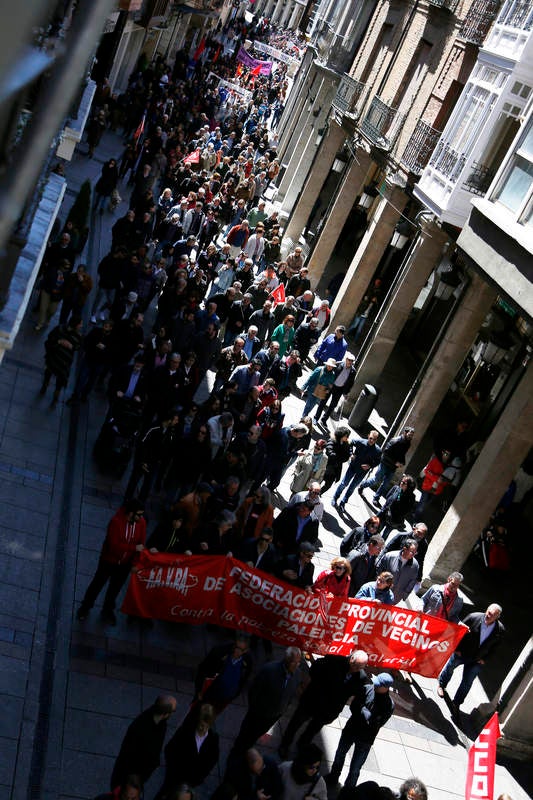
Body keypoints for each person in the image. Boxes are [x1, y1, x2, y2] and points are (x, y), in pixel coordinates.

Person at [278, 650, 369, 759]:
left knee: (312, 730)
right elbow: (314, 670)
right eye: (355, 665)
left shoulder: (361, 677)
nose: (356, 669)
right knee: (295, 723)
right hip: (312, 701)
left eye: (360, 667)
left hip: (328, 711)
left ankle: (302, 744)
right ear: (351, 658)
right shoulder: (333, 661)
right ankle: (285, 744)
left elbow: (354, 693)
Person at [76, 499, 146, 625]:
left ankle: (107, 610)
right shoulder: (116, 522)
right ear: (131, 513)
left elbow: (141, 544)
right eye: (139, 514)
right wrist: (132, 548)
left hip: (125, 564)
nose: (141, 517)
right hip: (109, 561)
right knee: (97, 585)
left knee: (115, 588)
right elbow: (113, 546)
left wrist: (135, 562)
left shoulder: (141, 523)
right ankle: (85, 608)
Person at [325, 673, 394, 789]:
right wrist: (366, 713)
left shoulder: (388, 705)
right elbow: (354, 706)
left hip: (365, 739)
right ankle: (333, 776)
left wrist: (362, 710)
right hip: (351, 729)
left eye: (378, 684)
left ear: (385, 687)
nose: (374, 685)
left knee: (355, 768)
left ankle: (348, 789)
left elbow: (376, 723)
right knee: (339, 755)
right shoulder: (367, 689)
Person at [231, 647, 304, 754]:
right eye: (294, 662)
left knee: (256, 734)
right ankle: (237, 751)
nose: (297, 665)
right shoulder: (269, 670)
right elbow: (254, 691)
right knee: (245, 733)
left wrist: (283, 709)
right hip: (258, 713)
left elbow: (291, 693)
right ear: (286, 659)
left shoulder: (297, 674)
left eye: (299, 662)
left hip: (274, 715)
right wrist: (254, 709)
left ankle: (247, 748)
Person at [437, 604, 504, 712]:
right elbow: (458, 631)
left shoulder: (499, 630)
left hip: (477, 659)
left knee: (467, 682)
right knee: (450, 668)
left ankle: (457, 703)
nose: (488, 615)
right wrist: (456, 648)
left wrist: (485, 659)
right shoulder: (473, 617)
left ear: (497, 617)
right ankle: (441, 685)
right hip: (462, 653)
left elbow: (495, 648)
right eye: (488, 612)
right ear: (486, 610)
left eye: (492, 615)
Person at [110, 695, 177, 790]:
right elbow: (129, 756)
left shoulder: (161, 723)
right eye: (173, 711)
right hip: (129, 775)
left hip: (139, 773)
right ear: (166, 713)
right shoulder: (140, 727)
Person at [156, 704, 219, 798]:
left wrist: (199, 778)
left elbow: (212, 760)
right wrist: (173, 772)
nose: (204, 729)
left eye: (207, 726)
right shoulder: (185, 731)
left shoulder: (213, 738)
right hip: (175, 778)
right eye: (201, 725)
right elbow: (169, 750)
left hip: (192, 782)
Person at [194, 636, 253, 714]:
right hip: (210, 693)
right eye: (236, 647)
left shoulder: (247, 661)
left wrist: (235, 694)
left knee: (212, 715)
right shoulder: (219, 652)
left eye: (241, 649)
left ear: (246, 650)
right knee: (198, 713)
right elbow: (203, 669)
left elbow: (244, 680)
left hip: (226, 698)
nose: (237, 651)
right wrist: (199, 689)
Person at [358, 427, 415, 506]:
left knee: (385, 484)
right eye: (409, 434)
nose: (410, 437)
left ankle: (376, 498)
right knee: (376, 479)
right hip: (385, 464)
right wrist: (395, 462)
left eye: (412, 435)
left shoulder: (408, 443)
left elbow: (402, 455)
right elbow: (385, 453)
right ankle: (363, 485)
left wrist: (402, 462)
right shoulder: (395, 441)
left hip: (392, 468)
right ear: (405, 433)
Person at [39, 316, 83, 405]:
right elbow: (50, 337)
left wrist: (72, 347)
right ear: (75, 324)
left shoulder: (78, 335)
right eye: (80, 324)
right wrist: (59, 341)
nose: (81, 326)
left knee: (61, 378)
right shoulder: (60, 329)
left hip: (65, 361)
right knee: (49, 372)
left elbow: (78, 346)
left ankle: (56, 395)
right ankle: (45, 386)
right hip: (54, 356)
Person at [333, 432, 381, 509]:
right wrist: (351, 454)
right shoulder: (361, 442)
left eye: (374, 439)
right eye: (370, 438)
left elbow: (378, 461)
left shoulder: (377, 450)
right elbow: (350, 443)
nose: (372, 440)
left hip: (362, 472)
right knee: (344, 483)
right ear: (368, 436)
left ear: (376, 440)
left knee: (352, 487)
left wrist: (370, 466)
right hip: (353, 466)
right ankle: (335, 497)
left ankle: (343, 501)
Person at [315, 354, 356, 423]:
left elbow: (351, 383)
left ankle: (324, 419)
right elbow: (329, 371)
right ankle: (316, 418)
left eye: (352, 361)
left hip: (340, 389)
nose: (350, 362)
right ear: (346, 359)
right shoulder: (338, 364)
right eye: (349, 360)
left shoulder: (353, 371)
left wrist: (346, 393)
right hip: (331, 386)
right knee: (323, 401)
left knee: (333, 405)